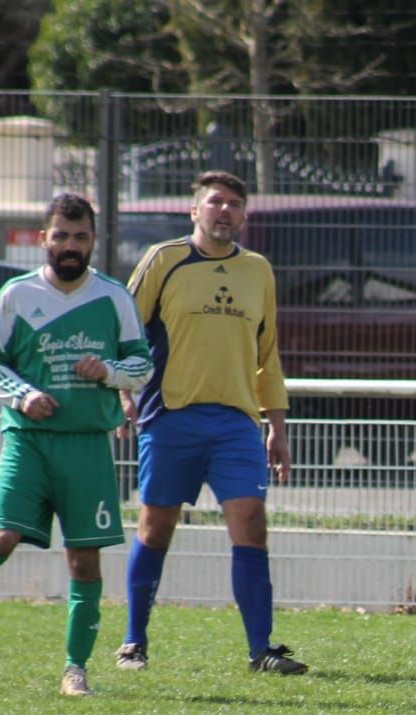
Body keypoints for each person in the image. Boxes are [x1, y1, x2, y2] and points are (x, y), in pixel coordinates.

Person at [0, 194, 152, 696]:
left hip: (87, 444)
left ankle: (74, 670)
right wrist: (24, 396)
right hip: (29, 441)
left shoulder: (113, 297)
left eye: (80, 237)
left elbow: (142, 365)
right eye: (61, 235)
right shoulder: (16, 295)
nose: (70, 246)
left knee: (83, 559)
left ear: (94, 241)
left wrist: (107, 371)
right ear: (44, 238)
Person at [118, 171, 307, 675]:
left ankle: (261, 650)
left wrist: (277, 425)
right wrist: (122, 393)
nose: (225, 210)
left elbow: (268, 354)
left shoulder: (258, 270)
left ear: (244, 214)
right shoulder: (163, 260)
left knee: (251, 523)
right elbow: (124, 332)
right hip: (171, 416)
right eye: (215, 201)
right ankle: (134, 641)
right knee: (156, 527)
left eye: (234, 203)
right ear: (194, 210)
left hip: (237, 423)